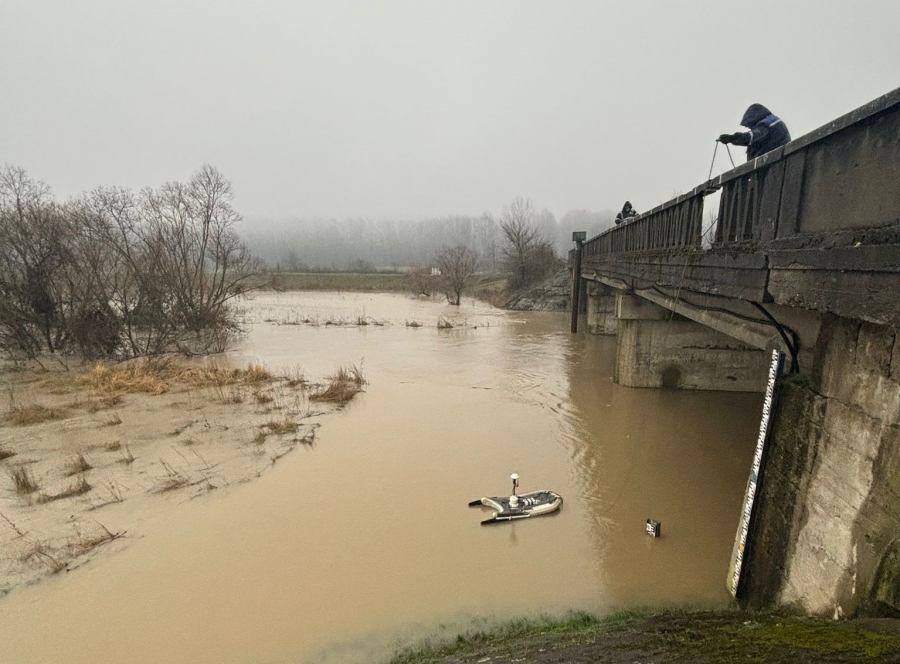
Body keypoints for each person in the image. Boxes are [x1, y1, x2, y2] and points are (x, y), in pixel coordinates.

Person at [718, 103, 791, 161]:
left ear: (754, 119)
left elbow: (752, 136)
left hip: (771, 161)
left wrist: (732, 138)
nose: (750, 128)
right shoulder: (773, 122)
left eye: (750, 125)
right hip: (780, 157)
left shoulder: (765, 124)